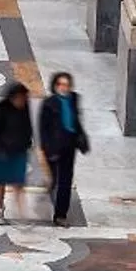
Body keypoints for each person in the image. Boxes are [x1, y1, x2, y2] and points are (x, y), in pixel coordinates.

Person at [36, 72, 90, 225]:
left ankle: (60, 214)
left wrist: (81, 138)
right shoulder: (49, 104)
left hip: (69, 145)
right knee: (54, 177)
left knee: (65, 181)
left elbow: (76, 120)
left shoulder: (74, 99)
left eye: (66, 85)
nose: (63, 88)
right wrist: (45, 148)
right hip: (54, 146)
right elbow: (43, 128)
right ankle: (52, 185)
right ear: (55, 86)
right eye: (60, 84)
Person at [0, 82, 34, 224]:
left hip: (19, 152)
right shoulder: (1, 109)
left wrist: (27, 142)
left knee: (18, 183)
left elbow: (28, 126)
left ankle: (22, 214)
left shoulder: (25, 108)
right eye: (20, 98)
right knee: (0, 183)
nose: (22, 101)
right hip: (1, 153)